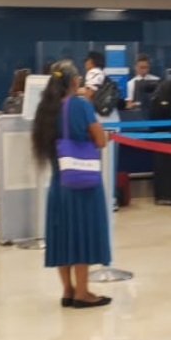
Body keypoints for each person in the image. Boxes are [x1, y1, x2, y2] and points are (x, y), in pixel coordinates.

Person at [31, 60, 112, 309]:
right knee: (83, 234)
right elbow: (100, 139)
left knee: (63, 235)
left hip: (59, 183)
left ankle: (68, 290)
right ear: (74, 81)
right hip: (83, 183)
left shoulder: (46, 109)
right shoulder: (80, 105)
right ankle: (83, 292)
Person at [81, 51, 120, 125]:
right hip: (112, 119)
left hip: (99, 120)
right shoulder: (104, 76)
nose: (85, 63)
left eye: (87, 60)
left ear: (92, 61)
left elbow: (88, 94)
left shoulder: (94, 72)